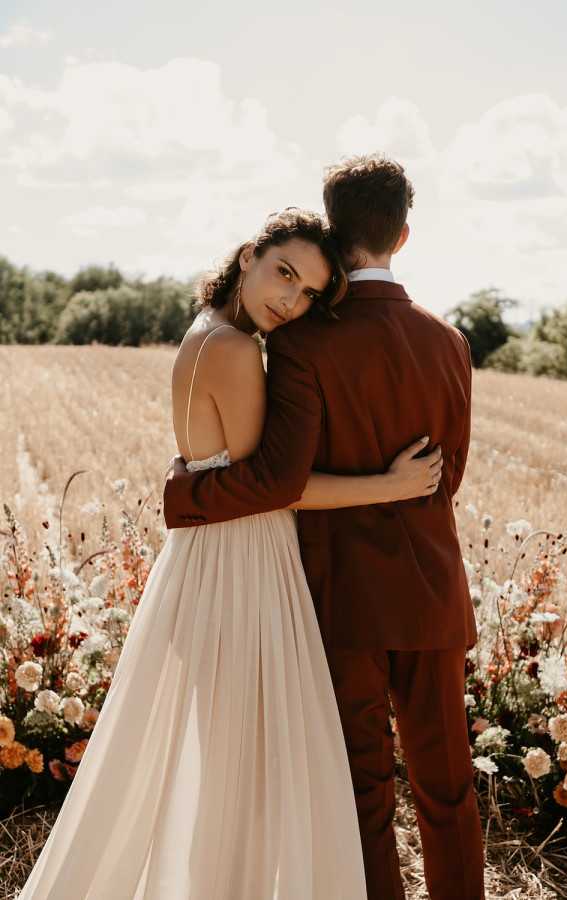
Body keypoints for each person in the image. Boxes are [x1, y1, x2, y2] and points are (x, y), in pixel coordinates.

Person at [17, 208, 442, 900]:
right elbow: (274, 488)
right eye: (284, 273)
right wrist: (386, 485)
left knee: (223, 753)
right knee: (262, 754)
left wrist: (185, 488)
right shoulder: (239, 350)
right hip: (243, 561)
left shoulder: (203, 334)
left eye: (307, 292)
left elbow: (226, 473)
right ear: (249, 256)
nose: (291, 300)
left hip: (205, 557)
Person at [164, 158, 485, 900]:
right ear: (403, 235)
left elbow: (281, 474)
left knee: (364, 793)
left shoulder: (304, 343)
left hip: (341, 600)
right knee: (447, 789)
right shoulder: (451, 342)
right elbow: (450, 475)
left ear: (335, 239)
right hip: (432, 593)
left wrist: (187, 494)